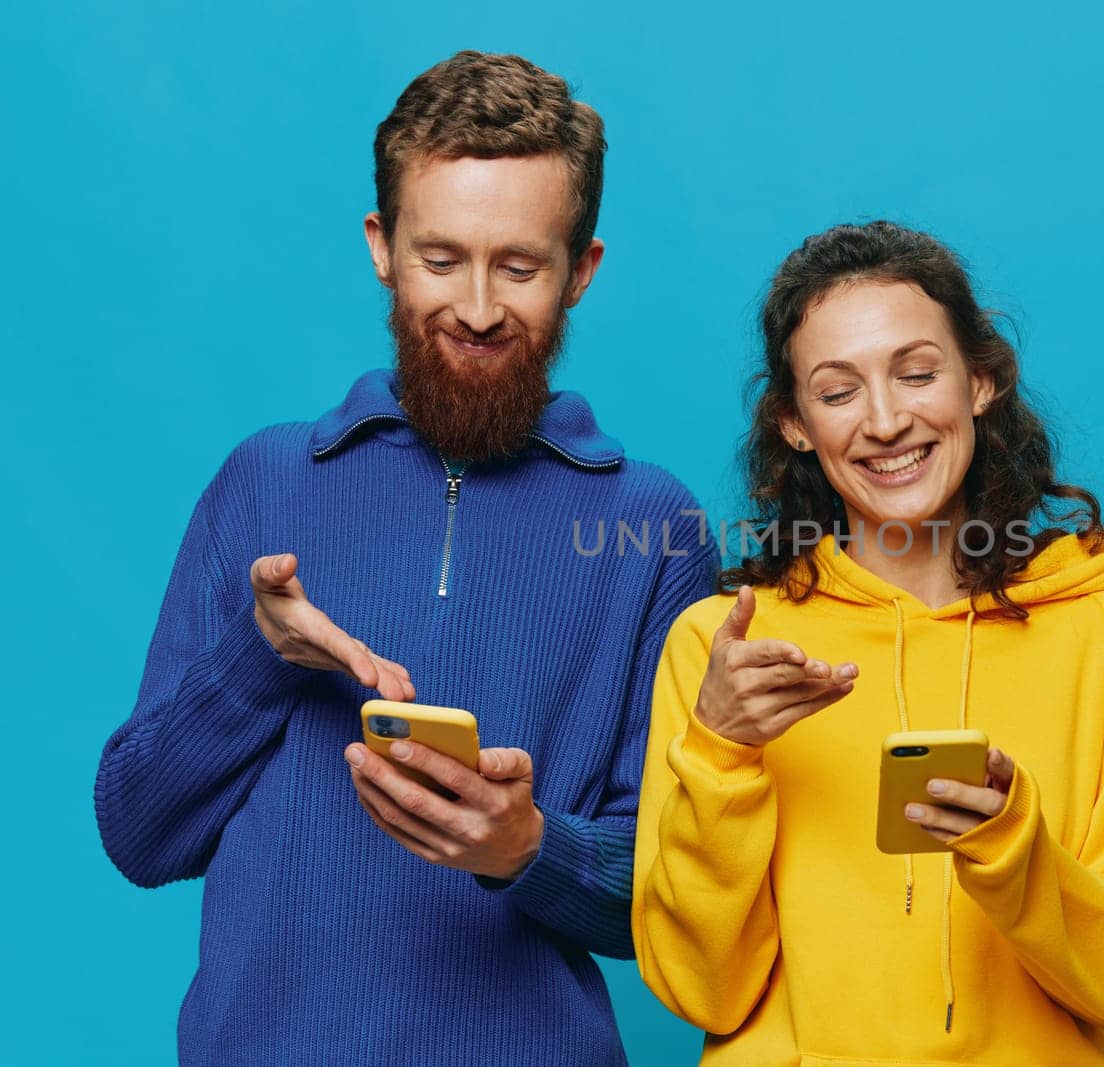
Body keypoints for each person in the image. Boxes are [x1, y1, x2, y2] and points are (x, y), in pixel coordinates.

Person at [96, 51, 714, 1066]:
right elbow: (138, 832)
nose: (475, 308)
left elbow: (684, 893)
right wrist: (261, 656)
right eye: (441, 258)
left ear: (582, 269)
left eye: (519, 266)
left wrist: (528, 848)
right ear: (383, 247)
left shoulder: (654, 528)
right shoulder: (263, 482)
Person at [633, 221, 1104, 1065]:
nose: (888, 421)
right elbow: (700, 991)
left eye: (917, 373)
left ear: (981, 380)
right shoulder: (723, 651)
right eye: (838, 392)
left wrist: (1015, 846)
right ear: (795, 423)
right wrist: (720, 754)